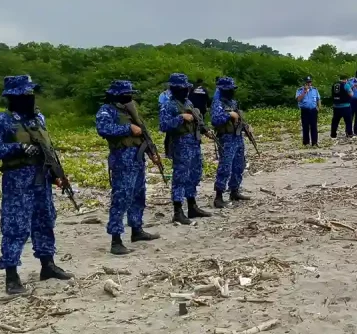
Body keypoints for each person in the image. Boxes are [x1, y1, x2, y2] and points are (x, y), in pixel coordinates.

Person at [0, 75, 74, 295]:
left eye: (31, 94)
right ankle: (11, 276)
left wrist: (56, 174)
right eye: (24, 95)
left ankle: (47, 266)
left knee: (45, 221)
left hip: (42, 180)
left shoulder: (38, 119)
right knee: (16, 227)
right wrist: (17, 148)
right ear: (13, 97)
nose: (29, 98)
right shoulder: (1, 121)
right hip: (17, 184)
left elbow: (47, 150)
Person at [96, 80, 160, 255]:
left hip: (137, 158)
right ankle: (116, 239)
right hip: (122, 159)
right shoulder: (106, 110)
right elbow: (103, 129)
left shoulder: (130, 110)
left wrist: (151, 152)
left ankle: (136, 229)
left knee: (139, 195)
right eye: (126, 93)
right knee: (121, 197)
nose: (129, 96)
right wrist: (128, 128)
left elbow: (143, 133)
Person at [159, 73, 212, 225]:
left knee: (195, 173)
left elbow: (197, 120)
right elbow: (163, 125)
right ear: (175, 89)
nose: (186, 91)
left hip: (194, 142)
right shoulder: (168, 105)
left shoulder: (188, 102)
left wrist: (204, 129)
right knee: (180, 176)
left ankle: (192, 205)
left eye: (186, 88)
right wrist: (181, 118)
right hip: (180, 143)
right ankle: (178, 211)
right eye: (182, 88)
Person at [212, 76, 253, 208]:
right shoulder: (218, 103)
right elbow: (215, 120)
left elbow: (239, 118)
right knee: (225, 167)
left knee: (239, 165)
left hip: (237, 136)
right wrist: (229, 115)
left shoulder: (233, 103)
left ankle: (234, 191)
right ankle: (218, 196)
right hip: (226, 138)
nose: (231, 91)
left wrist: (246, 126)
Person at [296, 76, 321, 147]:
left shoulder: (315, 90)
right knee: (305, 127)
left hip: (313, 110)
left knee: (314, 127)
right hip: (305, 110)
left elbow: (318, 98)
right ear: (304, 83)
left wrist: (319, 107)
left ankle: (314, 142)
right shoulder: (300, 90)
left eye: (310, 82)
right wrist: (304, 92)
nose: (309, 84)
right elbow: (298, 99)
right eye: (307, 82)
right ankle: (306, 143)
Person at [330, 74, 354, 139]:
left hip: (336, 106)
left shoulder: (334, 85)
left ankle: (333, 134)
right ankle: (349, 133)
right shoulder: (346, 85)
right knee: (348, 121)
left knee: (335, 121)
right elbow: (351, 94)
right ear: (345, 79)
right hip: (345, 106)